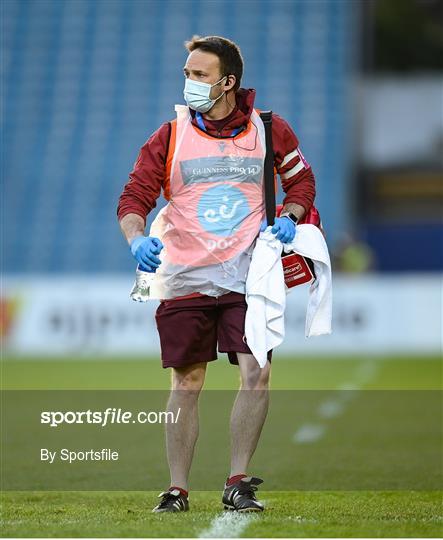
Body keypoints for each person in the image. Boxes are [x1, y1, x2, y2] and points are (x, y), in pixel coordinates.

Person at [117, 35, 316, 513]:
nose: (189, 83)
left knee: (257, 372)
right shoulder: (169, 135)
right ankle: (177, 489)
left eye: (199, 75)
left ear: (228, 82)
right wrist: (136, 238)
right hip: (185, 274)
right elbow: (134, 197)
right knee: (186, 382)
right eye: (187, 74)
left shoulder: (270, 129)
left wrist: (291, 213)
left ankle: (238, 481)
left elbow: (301, 179)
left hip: (250, 274)